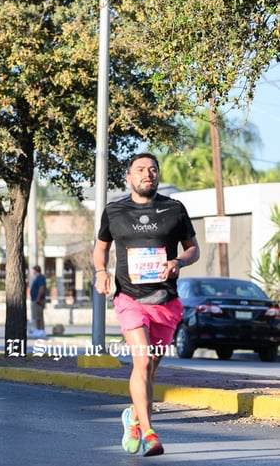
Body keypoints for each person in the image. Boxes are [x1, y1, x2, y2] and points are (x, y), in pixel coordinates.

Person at [93, 152, 200, 457]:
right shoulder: (114, 211)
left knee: (150, 370)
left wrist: (179, 261)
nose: (147, 173)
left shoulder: (174, 209)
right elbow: (100, 249)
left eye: (152, 169)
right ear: (128, 177)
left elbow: (194, 249)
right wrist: (101, 272)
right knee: (141, 362)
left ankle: (133, 418)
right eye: (140, 169)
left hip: (165, 300)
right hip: (130, 299)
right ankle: (150, 434)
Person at [29, 265, 47, 338]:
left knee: (39, 316)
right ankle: (37, 330)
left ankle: (41, 330)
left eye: (33, 270)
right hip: (35, 299)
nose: (33, 272)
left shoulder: (40, 277)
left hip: (38, 300)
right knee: (37, 316)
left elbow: (41, 288)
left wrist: (38, 298)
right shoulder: (37, 278)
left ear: (36, 270)